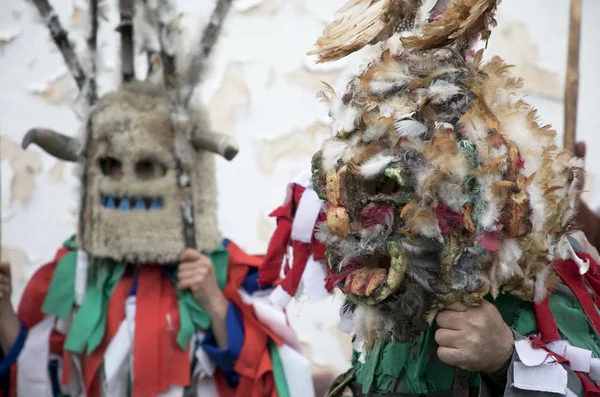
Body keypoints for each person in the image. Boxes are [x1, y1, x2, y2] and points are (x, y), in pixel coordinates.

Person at [262, 0, 600, 396]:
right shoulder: (386, 297)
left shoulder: (534, 277)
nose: (352, 225)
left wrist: (504, 358)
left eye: (386, 189)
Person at [0, 2, 313, 396]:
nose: (124, 181)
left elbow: (268, 380)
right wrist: (1, 311)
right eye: (109, 165)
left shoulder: (227, 273)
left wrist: (215, 304)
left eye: (148, 167)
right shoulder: (70, 274)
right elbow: (35, 378)